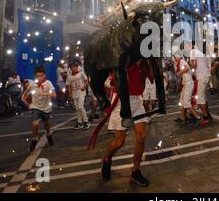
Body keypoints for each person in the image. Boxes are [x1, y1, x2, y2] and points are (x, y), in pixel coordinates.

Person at [101, 59, 154, 187]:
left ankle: (135, 172)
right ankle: (107, 158)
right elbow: (111, 81)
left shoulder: (145, 62)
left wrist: (150, 62)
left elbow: (152, 78)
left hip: (137, 100)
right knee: (120, 141)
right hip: (121, 100)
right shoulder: (123, 58)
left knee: (141, 137)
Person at [21, 66, 56, 152]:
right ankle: (34, 140)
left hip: (46, 108)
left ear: (45, 75)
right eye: (37, 76)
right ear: (34, 76)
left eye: (41, 75)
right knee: (35, 124)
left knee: (46, 124)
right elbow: (24, 94)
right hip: (35, 107)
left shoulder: (48, 83)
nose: (39, 78)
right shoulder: (32, 84)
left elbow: (54, 95)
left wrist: (47, 94)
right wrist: (25, 101)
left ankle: (48, 135)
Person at [173, 51, 199, 125]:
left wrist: (179, 73)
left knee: (187, 103)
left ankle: (197, 117)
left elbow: (187, 68)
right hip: (185, 84)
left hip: (188, 84)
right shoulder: (179, 62)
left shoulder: (181, 61)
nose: (174, 58)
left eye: (175, 56)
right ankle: (182, 118)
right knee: (182, 101)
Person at [190, 46, 212, 126]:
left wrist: (190, 68)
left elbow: (194, 64)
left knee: (200, 98)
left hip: (202, 76)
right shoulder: (202, 52)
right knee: (204, 97)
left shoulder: (193, 51)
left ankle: (205, 117)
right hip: (207, 75)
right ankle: (208, 113)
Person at [66, 62, 90, 130]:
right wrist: (70, 94)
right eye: (71, 67)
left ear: (77, 67)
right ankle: (79, 122)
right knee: (77, 108)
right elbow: (68, 85)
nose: (73, 68)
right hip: (74, 93)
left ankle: (86, 122)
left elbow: (86, 80)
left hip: (81, 92)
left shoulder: (81, 73)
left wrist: (84, 86)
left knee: (80, 107)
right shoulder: (69, 76)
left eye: (74, 67)